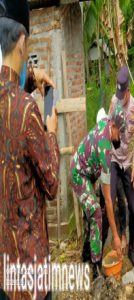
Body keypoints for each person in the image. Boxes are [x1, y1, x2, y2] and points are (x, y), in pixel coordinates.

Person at [0, 1, 60, 299]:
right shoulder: (27, 111)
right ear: (22, 41)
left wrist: (29, 80)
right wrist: (50, 133)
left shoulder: (13, 103)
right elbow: (52, 185)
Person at [70, 104, 125, 278]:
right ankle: (95, 267)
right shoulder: (105, 150)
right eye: (120, 132)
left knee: (93, 214)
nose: (120, 137)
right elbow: (108, 200)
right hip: (79, 174)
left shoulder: (105, 122)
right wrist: (116, 237)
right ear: (113, 126)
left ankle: (86, 255)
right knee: (96, 213)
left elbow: (104, 113)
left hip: (87, 172)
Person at [102, 66, 134, 265]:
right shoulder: (113, 102)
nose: (119, 97)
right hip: (115, 161)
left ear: (128, 91)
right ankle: (114, 240)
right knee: (111, 200)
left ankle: (132, 246)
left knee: (133, 208)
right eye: (117, 93)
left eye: (122, 93)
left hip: (127, 164)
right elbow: (108, 127)